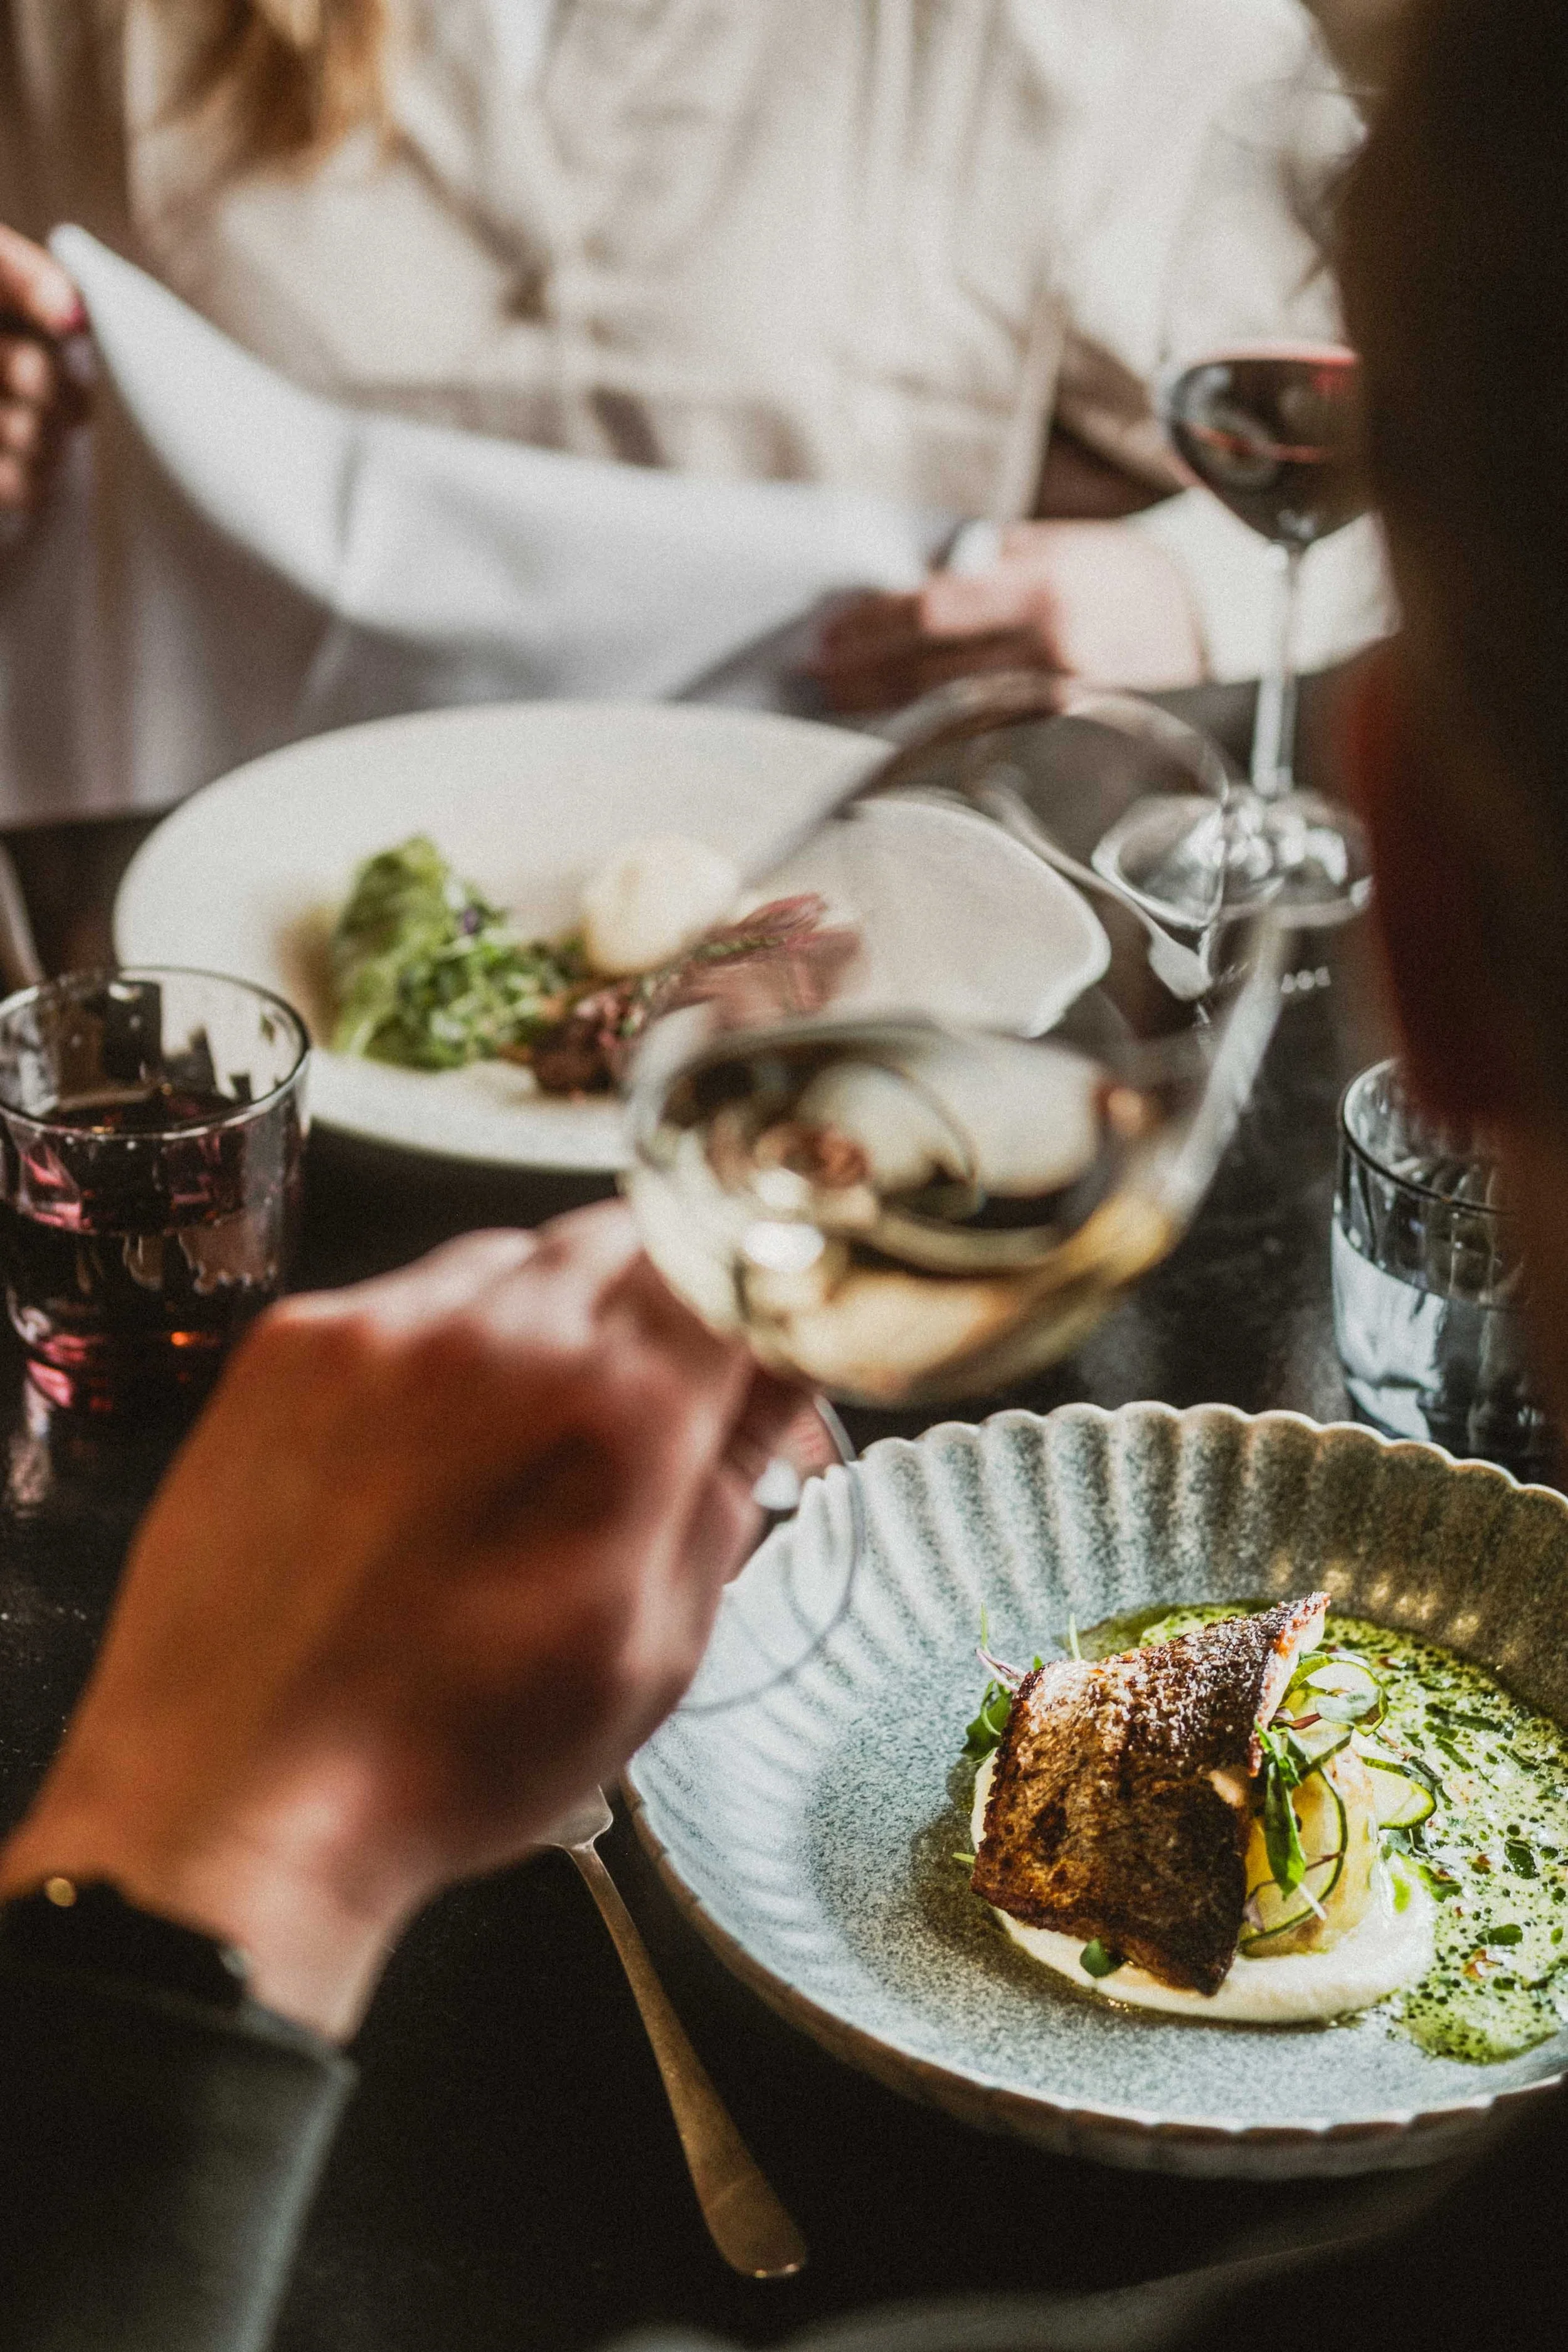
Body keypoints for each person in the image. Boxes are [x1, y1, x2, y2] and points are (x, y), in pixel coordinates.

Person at [0, 0, 1389, 823]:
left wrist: (1186, 592)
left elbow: (1464, 460)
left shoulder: (1088, 29)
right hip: (235, 1004)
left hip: (821, 979)